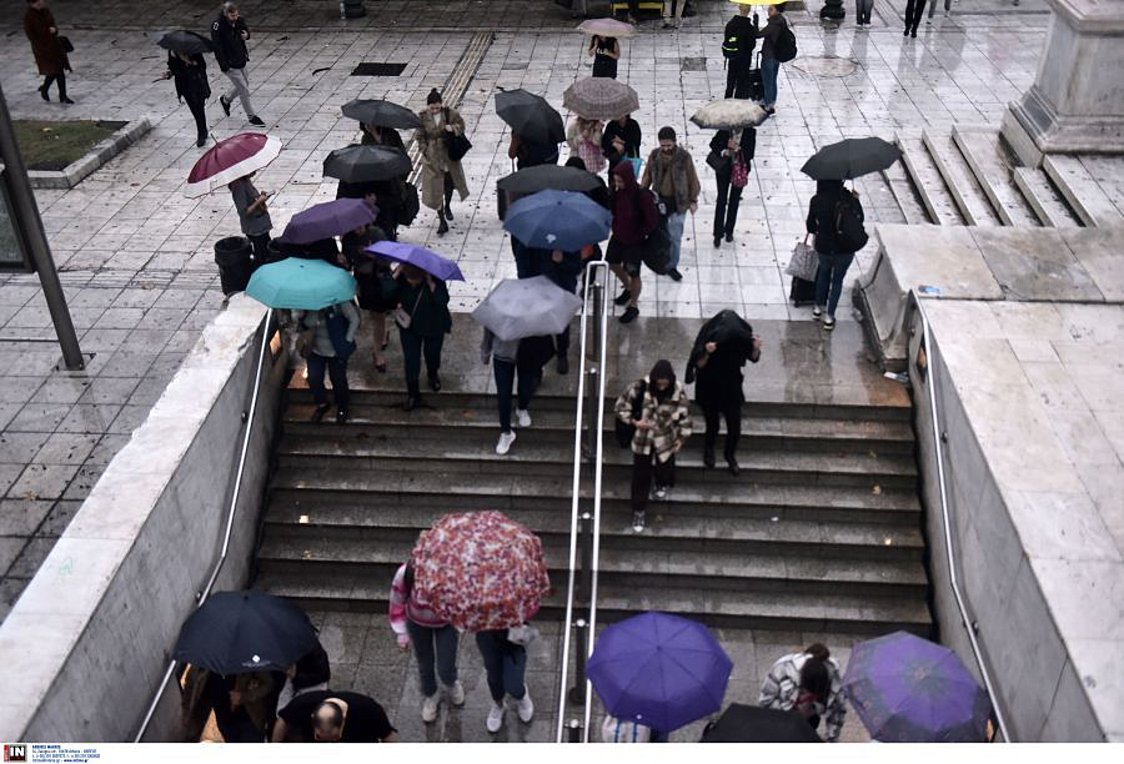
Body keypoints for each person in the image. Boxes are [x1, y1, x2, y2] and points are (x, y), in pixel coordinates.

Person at [614, 359, 692, 532]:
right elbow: (620, 407)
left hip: (665, 437)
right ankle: (639, 510)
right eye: (659, 384)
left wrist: (682, 438)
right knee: (641, 475)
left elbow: (684, 415)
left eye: (665, 385)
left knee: (665, 464)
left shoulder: (677, 391)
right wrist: (635, 422)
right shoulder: (639, 387)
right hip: (643, 439)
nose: (662, 388)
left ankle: (662, 482)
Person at [685, 310, 762, 475]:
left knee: (735, 427)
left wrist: (755, 349)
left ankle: (730, 455)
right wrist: (707, 352)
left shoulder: (738, 340)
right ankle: (709, 449)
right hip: (709, 387)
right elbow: (698, 364)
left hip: (731, 388)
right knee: (712, 425)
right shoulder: (709, 337)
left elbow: (753, 357)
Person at [389, 562, 464, 722]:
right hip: (417, 624)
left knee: (446, 665)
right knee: (424, 664)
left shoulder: (454, 569)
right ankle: (431, 694)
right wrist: (401, 631)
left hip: (446, 625)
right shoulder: (406, 572)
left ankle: (451, 681)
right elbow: (397, 599)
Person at [641, 126, 700, 282]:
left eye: (669, 145)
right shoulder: (655, 156)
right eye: (663, 145)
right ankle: (661, 260)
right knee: (661, 234)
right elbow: (647, 176)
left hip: (679, 202)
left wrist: (693, 199)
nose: (666, 148)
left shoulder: (684, 157)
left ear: (674, 142)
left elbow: (692, 178)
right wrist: (642, 193)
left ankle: (672, 265)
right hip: (659, 201)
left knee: (675, 236)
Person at [482, 330, 554, 455]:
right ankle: (505, 432)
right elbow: (489, 326)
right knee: (503, 394)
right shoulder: (499, 309)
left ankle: (522, 408)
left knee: (526, 387)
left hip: (527, 351)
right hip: (502, 353)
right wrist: (486, 350)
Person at [805, 179, 864, 330]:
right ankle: (829, 317)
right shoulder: (848, 199)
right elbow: (860, 219)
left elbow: (810, 226)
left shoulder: (817, 200)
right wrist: (856, 200)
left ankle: (818, 307)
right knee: (837, 281)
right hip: (844, 249)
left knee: (823, 275)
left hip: (824, 248)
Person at [759, 643, 846, 742]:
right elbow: (765, 701)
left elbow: (837, 712)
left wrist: (831, 739)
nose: (807, 698)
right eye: (804, 692)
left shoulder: (834, 676)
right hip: (783, 721)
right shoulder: (783, 667)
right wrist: (792, 711)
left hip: (811, 722)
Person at [606, 161, 658, 325]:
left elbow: (651, 221)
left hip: (634, 241)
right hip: (619, 236)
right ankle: (627, 287)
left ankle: (633, 304)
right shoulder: (617, 192)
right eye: (616, 181)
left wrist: (640, 233)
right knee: (612, 263)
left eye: (620, 181)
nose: (618, 184)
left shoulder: (641, 195)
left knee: (634, 272)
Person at [394, 263, 452, 411]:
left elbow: (443, 300)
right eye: (409, 279)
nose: (411, 282)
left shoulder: (436, 279)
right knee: (411, 359)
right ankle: (413, 393)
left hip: (433, 325)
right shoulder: (400, 277)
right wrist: (395, 274)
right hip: (410, 327)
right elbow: (386, 293)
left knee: (432, 354)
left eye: (414, 279)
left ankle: (433, 375)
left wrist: (432, 286)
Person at [294, 299, 360, 423]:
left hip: (336, 350)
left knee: (338, 378)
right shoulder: (308, 305)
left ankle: (342, 405)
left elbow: (354, 319)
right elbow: (303, 323)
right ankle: (322, 403)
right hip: (315, 350)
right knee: (314, 378)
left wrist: (347, 340)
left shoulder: (339, 302)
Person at [415, 89, 469, 236]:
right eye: (432, 108)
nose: (434, 110)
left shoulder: (450, 113)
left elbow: (461, 126)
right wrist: (424, 150)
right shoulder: (423, 117)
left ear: (441, 104)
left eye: (437, 107)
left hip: (448, 154)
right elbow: (419, 135)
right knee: (436, 187)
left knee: (449, 183)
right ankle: (441, 220)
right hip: (433, 156)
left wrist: (452, 128)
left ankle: (448, 206)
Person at [342, 220, 394, 373]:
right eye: (355, 226)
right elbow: (349, 262)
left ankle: (377, 352)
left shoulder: (377, 234)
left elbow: (388, 258)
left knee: (378, 314)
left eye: (360, 226)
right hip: (362, 280)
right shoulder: (348, 239)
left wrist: (374, 255)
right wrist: (345, 261)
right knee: (373, 313)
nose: (358, 229)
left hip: (378, 278)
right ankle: (383, 333)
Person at [211, 2, 263, 126]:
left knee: (244, 84)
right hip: (229, 62)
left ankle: (226, 100)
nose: (235, 17)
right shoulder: (217, 26)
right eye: (232, 15)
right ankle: (251, 116)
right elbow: (217, 48)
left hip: (240, 57)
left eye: (236, 14)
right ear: (226, 14)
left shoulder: (239, 20)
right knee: (244, 89)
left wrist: (247, 35)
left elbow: (245, 31)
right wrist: (224, 65)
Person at [273, 690, 398, 742]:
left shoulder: (368, 710)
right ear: (312, 719)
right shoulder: (303, 704)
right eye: (320, 737)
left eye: (334, 737)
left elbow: (388, 736)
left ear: (343, 721)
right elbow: (283, 720)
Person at [476, 628, 534, 733]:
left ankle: (521, 694)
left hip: (513, 636)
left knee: (514, 684)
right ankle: (499, 704)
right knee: (494, 676)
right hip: (486, 634)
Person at [707, 127, 756, 248]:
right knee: (721, 199)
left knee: (734, 201)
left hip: (740, 170)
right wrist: (725, 150)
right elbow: (713, 144)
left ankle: (729, 231)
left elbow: (750, 153)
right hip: (724, 169)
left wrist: (738, 149)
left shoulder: (750, 132)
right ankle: (718, 234)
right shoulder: (725, 130)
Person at [538, 248, 582, 373]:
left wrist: (562, 261)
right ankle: (538, 366)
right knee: (540, 326)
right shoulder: (537, 241)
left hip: (564, 289)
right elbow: (524, 260)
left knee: (562, 324)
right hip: (541, 287)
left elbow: (577, 268)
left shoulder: (570, 243)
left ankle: (562, 354)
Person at [24, 0, 72, 104]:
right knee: (55, 72)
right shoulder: (29, 17)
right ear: (32, 4)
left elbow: (52, 23)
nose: (40, 3)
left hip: (54, 46)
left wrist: (54, 30)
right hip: (43, 49)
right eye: (37, 3)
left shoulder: (46, 11)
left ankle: (57, 93)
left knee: (58, 72)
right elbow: (32, 35)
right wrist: (47, 32)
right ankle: (53, 92)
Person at [164, 50, 210, 148]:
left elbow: (202, 65)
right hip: (184, 84)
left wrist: (188, 61)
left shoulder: (193, 49)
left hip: (197, 82)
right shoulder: (172, 51)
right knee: (194, 109)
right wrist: (169, 73)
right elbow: (172, 67)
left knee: (199, 108)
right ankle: (202, 130)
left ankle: (202, 132)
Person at [228, 173, 271, 263]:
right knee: (261, 253)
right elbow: (243, 212)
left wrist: (261, 197)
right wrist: (259, 201)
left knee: (268, 250)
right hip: (254, 227)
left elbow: (251, 199)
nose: (255, 173)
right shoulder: (238, 186)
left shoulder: (246, 180)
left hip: (262, 223)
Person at [276, 644, 331, 713]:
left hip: (311, 688)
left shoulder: (314, 650)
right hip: (293, 686)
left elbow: (322, 675)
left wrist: (295, 676)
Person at [756, 4, 789, 116]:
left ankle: (769, 106)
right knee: (773, 79)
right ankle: (771, 101)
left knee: (767, 81)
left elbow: (758, 34)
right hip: (777, 56)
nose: (768, 11)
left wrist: (755, 23)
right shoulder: (781, 20)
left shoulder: (773, 24)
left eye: (771, 9)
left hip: (769, 56)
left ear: (777, 11)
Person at [722, 4, 757, 99]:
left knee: (731, 78)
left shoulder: (731, 24)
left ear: (739, 8)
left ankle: (728, 97)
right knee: (741, 79)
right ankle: (738, 99)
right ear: (749, 10)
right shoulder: (749, 27)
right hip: (744, 58)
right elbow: (752, 45)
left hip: (733, 56)